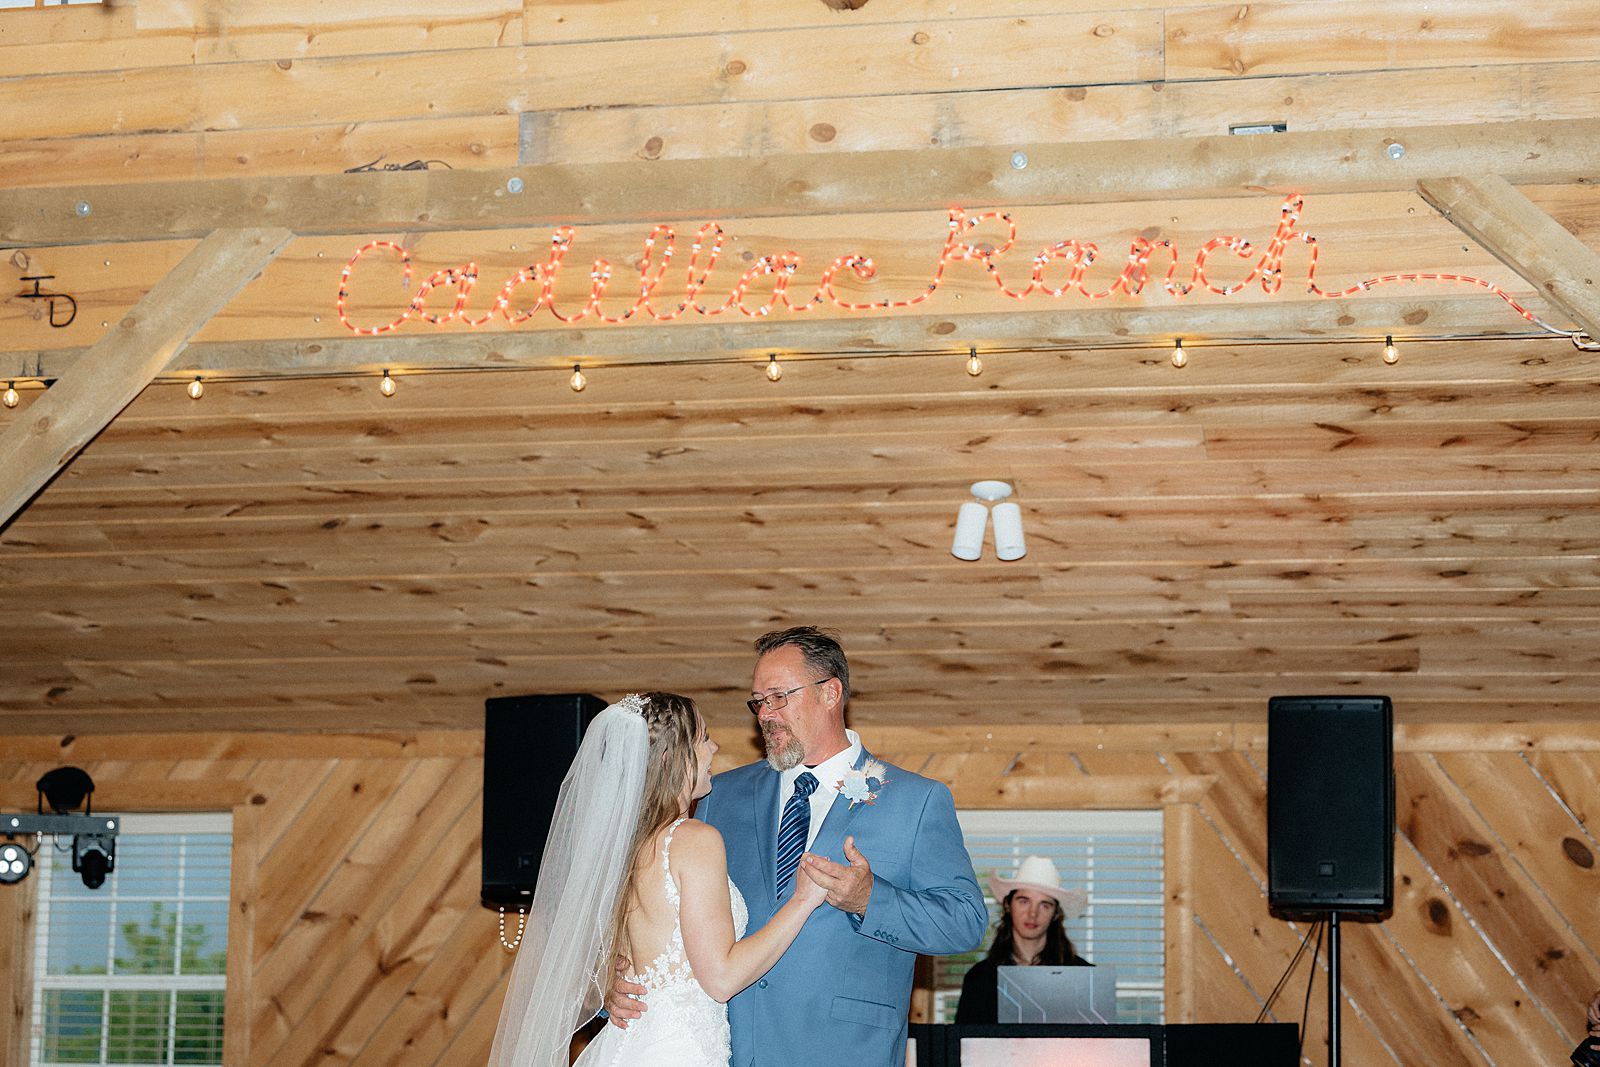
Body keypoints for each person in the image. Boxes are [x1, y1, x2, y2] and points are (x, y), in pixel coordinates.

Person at [608, 626, 988, 1067]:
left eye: (778, 697)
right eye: (758, 701)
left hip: (844, 1051)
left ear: (830, 693)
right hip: (728, 1051)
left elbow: (965, 921)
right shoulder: (716, 795)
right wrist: (617, 982)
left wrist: (870, 899)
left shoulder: (914, 800)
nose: (765, 714)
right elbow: (650, 902)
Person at [489, 691, 830, 1067]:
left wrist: (608, 985)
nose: (714, 747)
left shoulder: (627, 848)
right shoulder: (695, 839)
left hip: (631, 1045)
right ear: (671, 758)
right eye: (702, 738)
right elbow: (721, 978)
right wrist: (804, 900)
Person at [954, 855, 1091, 1024]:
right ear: (1007, 905)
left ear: (1056, 914)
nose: (1033, 913)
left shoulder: (1084, 979)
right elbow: (965, 1046)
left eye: (1045, 905)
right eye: (1024, 901)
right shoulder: (979, 979)